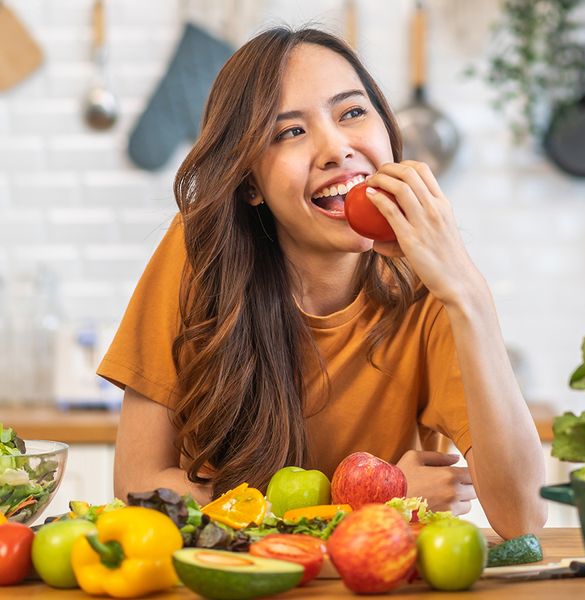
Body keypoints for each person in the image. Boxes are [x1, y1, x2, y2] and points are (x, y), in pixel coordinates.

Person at [98, 26, 546, 538]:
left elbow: (523, 517)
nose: (336, 148)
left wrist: (468, 291)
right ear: (250, 185)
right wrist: (372, 496)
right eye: (289, 132)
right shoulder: (199, 254)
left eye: (352, 112)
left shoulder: (432, 288)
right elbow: (139, 487)